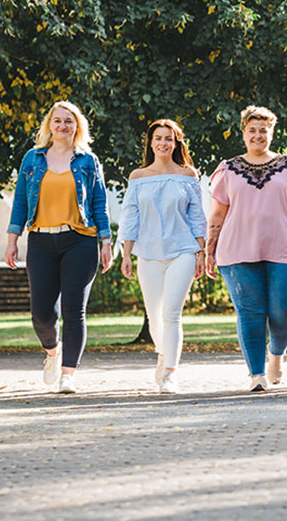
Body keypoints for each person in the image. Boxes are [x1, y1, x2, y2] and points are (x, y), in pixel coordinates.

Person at [204, 106, 287, 392]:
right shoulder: (227, 169)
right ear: (243, 133)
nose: (258, 135)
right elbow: (216, 214)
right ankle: (257, 374)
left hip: (284, 249)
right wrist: (209, 250)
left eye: (263, 130)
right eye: (252, 130)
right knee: (250, 312)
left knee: (285, 311)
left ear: (271, 133)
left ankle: (276, 353)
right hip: (236, 251)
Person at [5, 101, 114, 394]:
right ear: (49, 125)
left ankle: (68, 375)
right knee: (42, 314)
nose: (63, 125)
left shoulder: (88, 161)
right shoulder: (32, 159)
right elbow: (20, 202)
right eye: (58, 120)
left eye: (69, 120)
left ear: (77, 126)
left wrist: (106, 242)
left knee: (74, 310)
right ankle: (53, 350)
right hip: (41, 240)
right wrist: (12, 239)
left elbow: (99, 204)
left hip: (80, 239)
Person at [119, 119, 207, 394]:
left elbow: (197, 217)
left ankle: (170, 372)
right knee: (155, 316)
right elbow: (130, 217)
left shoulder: (188, 174)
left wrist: (201, 252)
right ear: (150, 142)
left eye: (169, 138)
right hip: (148, 254)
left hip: (182, 250)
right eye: (158, 138)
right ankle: (163, 353)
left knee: (171, 313)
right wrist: (126, 254)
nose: (163, 143)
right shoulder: (138, 177)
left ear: (177, 143)